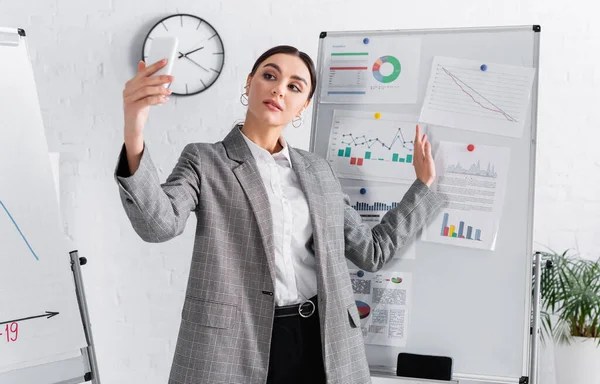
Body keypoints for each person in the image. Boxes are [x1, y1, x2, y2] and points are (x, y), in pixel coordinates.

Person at [115, 45, 443, 384]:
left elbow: (371, 253)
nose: (278, 89)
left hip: (323, 337)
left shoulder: (318, 170)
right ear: (249, 84)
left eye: (294, 86)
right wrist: (134, 128)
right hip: (237, 341)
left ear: (303, 105)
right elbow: (158, 225)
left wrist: (423, 185)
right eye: (270, 76)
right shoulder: (205, 160)